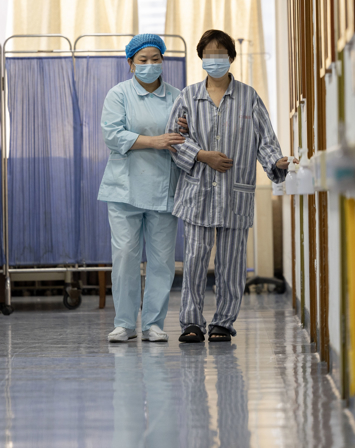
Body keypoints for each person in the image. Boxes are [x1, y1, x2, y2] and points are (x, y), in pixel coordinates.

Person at [166, 29, 294, 343]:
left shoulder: (249, 97)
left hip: (235, 193)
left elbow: (265, 140)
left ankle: (223, 322)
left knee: (232, 263)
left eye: (220, 54)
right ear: (201, 59)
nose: (214, 60)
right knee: (194, 260)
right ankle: (191, 323)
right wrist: (203, 155)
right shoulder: (188, 97)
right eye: (208, 54)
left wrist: (276, 161)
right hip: (197, 193)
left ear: (231, 58)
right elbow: (174, 139)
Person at [98, 33, 185, 343]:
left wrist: (185, 133)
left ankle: (153, 324)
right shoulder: (119, 94)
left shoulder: (177, 96)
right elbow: (112, 135)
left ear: (163, 60)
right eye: (143, 60)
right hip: (124, 189)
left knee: (162, 261)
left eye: (155, 59)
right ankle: (124, 323)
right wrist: (155, 141)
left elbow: (187, 137)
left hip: (164, 188)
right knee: (125, 257)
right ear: (131, 63)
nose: (150, 64)